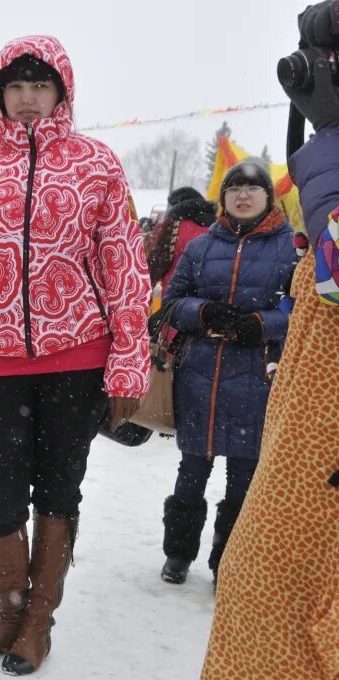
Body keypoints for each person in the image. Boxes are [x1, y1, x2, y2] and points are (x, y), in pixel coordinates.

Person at [0, 36, 150, 675]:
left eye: (39, 87)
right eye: (15, 88)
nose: (27, 99)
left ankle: (37, 622)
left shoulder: (96, 164)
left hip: (77, 357)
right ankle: (8, 608)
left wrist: (128, 362)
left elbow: (124, 268)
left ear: (60, 93)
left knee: (57, 490)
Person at [202, 3, 339, 676]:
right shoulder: (206, 242)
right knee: (255, 580)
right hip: (290, 415)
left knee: (269, 594)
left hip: (313, 446)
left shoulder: (301, 225)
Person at [159, 162, 295, 586]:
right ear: (223, 195)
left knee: (242, 481)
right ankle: (178, 555)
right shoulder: (201, 247)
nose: (242, 194)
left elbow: (299, 308)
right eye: (234, 186)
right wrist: (202, 311)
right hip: (199, 376)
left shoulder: (290, 248)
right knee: (190, 474)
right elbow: (171, 300)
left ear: (267, 197)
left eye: (252, 187)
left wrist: (263, 324)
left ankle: (227, 562)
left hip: (257, 378)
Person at [146, 186, 218, 289]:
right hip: (210, 297)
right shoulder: (218, 227)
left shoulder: (170, 228)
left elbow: (154, 265)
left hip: (175, 295)